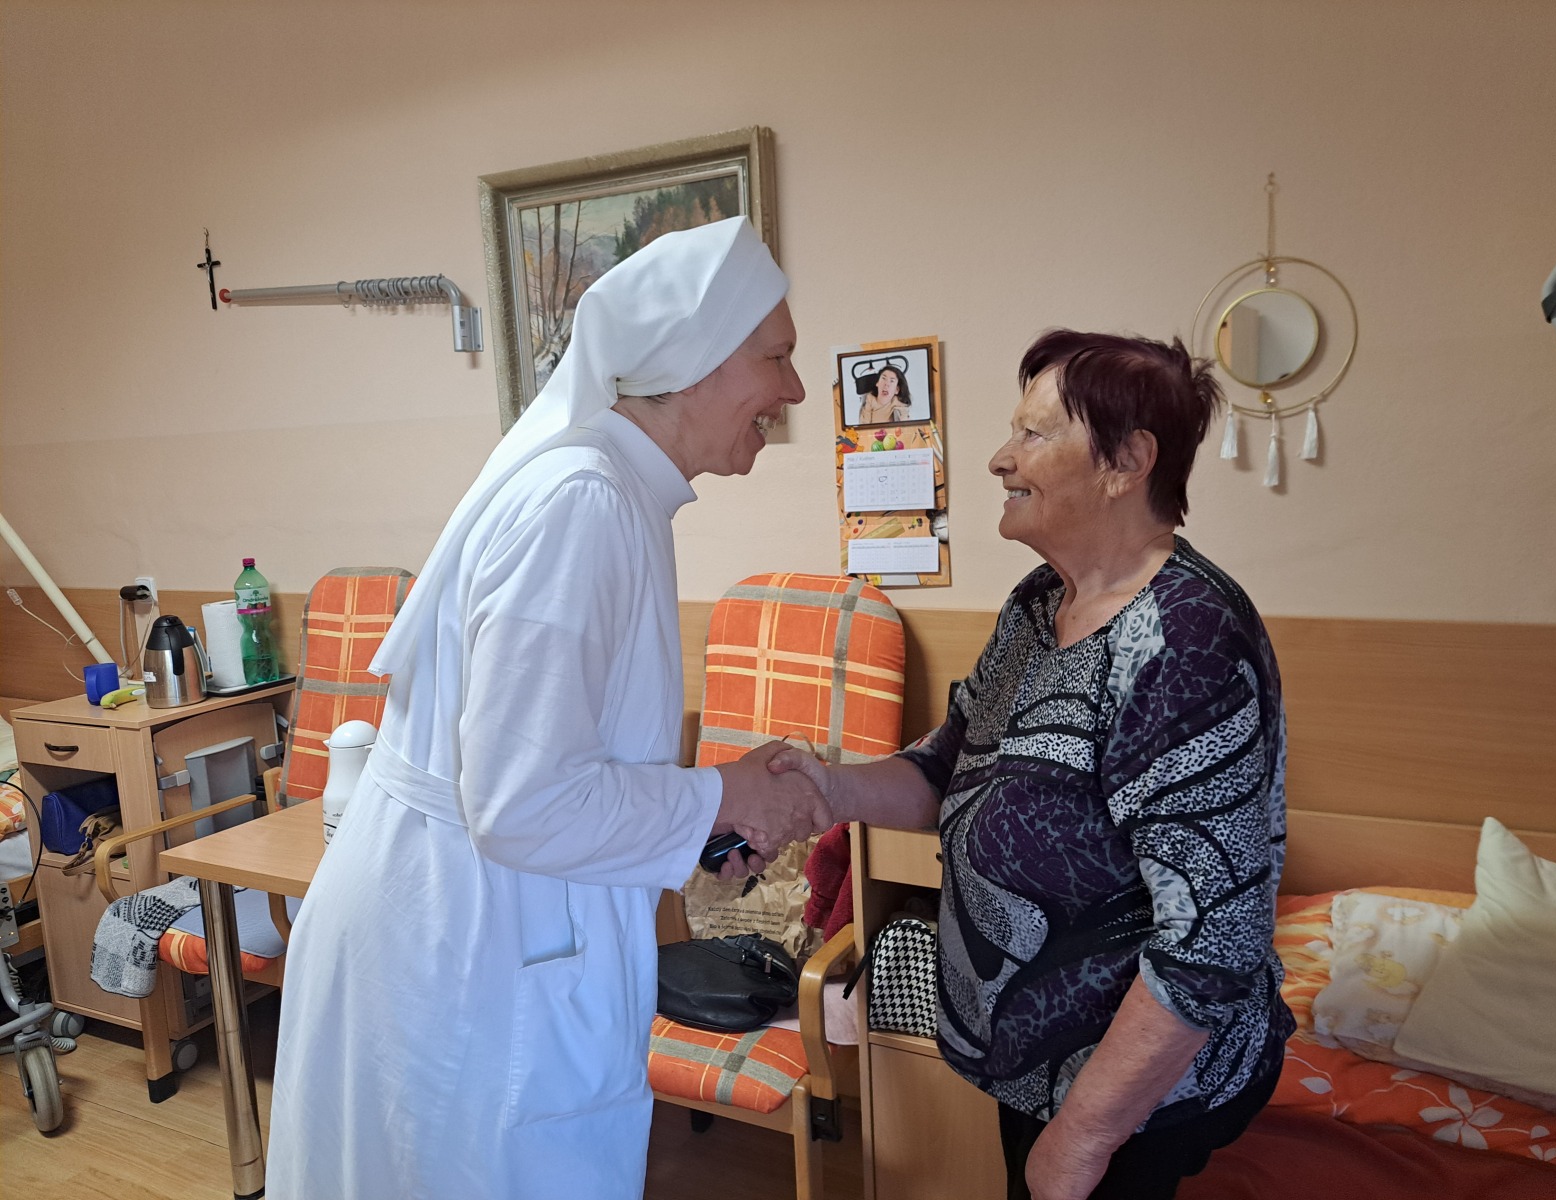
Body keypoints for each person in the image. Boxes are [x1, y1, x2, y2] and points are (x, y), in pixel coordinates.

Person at [268, 217, 832, 1200]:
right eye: (775, 357)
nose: (793, 390)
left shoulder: (613, 493)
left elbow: (561, 764)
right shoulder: (582, 504)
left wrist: (700, 828)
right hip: (465, 956)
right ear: (695, 362)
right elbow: (520, 802)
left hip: (489, 930)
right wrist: (719, 796)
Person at [773, 330, 1292, 1200]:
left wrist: (1083, 1138)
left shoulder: (1186, 640)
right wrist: (826, 787)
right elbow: (949, 766)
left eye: (1033, 435)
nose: (998, 459)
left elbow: (1210, 944)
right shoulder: (1040, 603)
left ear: (1127, 462)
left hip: (1134, 1096)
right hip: (1033, 1061)